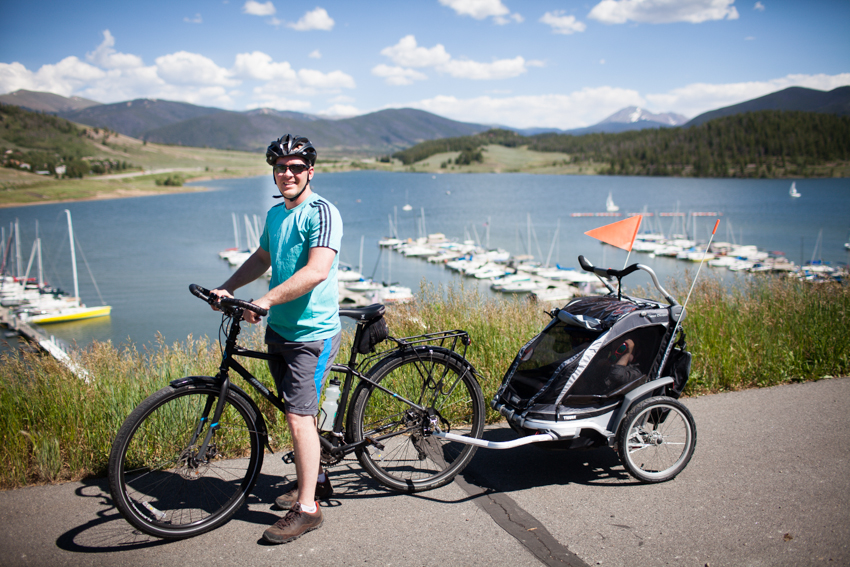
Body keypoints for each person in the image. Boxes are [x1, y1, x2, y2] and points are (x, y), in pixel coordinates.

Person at [211, 134, 343, 545]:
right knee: (293, 408)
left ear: (310, 172)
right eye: (280, 167)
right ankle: (315, 477)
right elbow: (262, 257)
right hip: (280, 329)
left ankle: (308, 509)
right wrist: (228, 288)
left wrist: (265, 299)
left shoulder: (322, 212)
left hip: (313, 334)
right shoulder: (275, 214)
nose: (287, 173)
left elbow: (317, 270)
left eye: (295, 167)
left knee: (298, 415)